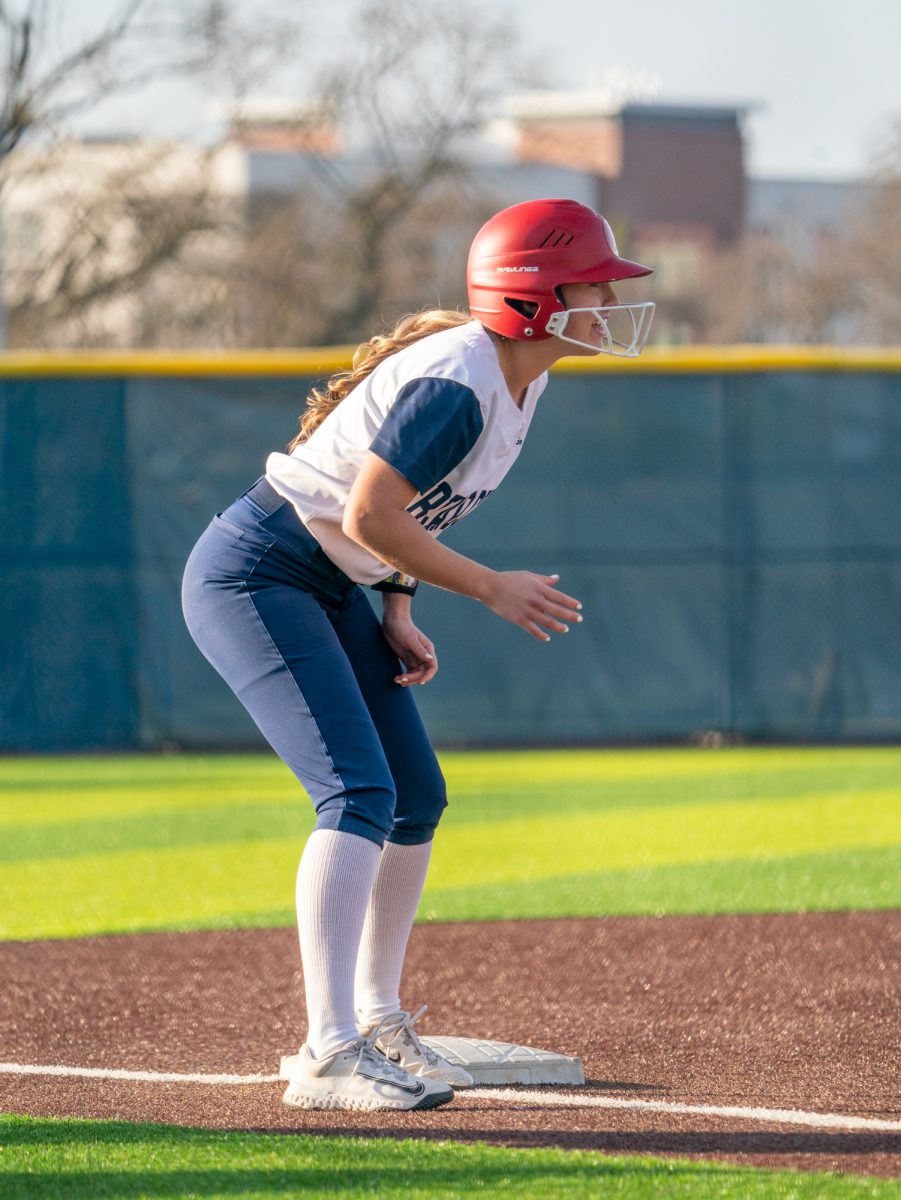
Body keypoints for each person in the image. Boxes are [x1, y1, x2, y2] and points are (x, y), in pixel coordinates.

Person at [181, 198, 654, 1112]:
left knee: (416, 796)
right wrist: (486, 587)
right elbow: (365, 515)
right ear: (537, 298)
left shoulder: (521, 378)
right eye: (593, 282)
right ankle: (329, 1054)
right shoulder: (459, 382)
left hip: (325, 579)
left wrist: (397, 604)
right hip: (258, 572)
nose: (607, 298)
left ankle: (379, 1018)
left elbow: (402, 514)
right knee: (356, 792)